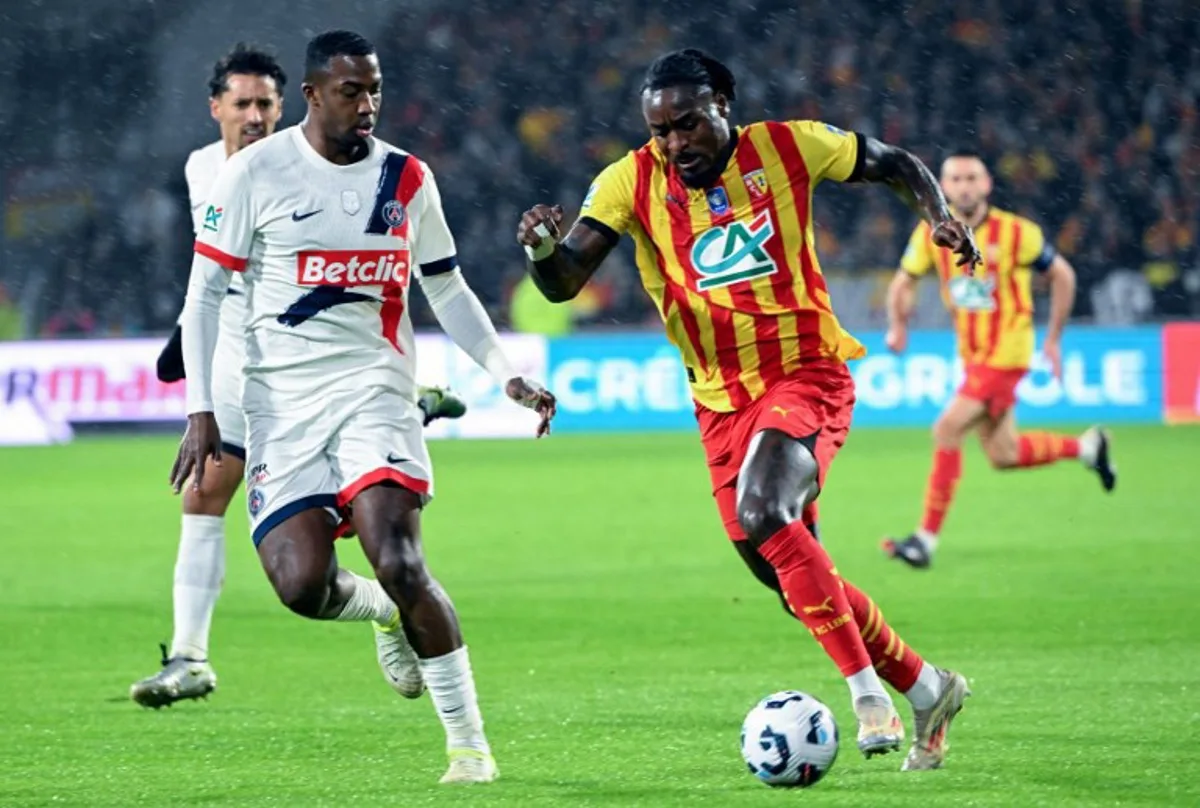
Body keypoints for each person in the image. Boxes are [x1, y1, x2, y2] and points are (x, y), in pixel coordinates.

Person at [517, 48, 974, 771]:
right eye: (661, 131)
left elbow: (894, 162)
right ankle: (925, 687)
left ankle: (866, 697)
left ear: (724, 104)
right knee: (792, 578)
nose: (675, 144)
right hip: (717, 403)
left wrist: (938, 216)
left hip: (804, 374)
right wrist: (544, 250)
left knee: (767, 513)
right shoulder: (629, 181)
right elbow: (564, 281)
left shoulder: (790, 147)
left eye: (689, 124)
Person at [172, 30, 555, 784]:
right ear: (313, 96)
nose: (368, 104)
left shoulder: (407, 178)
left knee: (399, 554)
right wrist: (201, 410)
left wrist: (506, 372)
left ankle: (469, 746)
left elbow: (444, 284)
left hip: (376, 392)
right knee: (300, 586)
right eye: (352, 91)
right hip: (279, 405)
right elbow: (204, 296)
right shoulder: (253, 174)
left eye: (375, 88)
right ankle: (383, 614)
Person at [131, 44, 467, 710]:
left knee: (303, 511)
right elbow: (213, 278)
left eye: (266, 104)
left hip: (303, 365)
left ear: (288, 105)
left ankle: (401, 410)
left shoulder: (306, 169)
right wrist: (187, 349)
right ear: (215, 108)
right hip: (239, 361)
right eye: (243, 104)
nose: (255, 116)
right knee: (202, 495)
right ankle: (192, 655)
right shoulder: (205, 170)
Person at [881, 150, 1116, 570]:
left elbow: (1063, 274)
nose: (964, 186)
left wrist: (1055, 338)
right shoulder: (930, 234)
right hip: (973, 356)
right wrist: (898, 325)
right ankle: (1087, 447)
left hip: (1007, 352)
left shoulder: (1016, 233)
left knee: (947, 429)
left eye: (972, 178)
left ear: (987, 184)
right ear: (943, 186)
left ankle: (924, 540)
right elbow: (903, 282)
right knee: (1003, 453)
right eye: (955, 179)